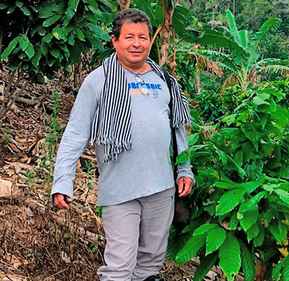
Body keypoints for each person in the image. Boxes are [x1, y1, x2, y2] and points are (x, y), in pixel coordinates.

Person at [51, 8, 194, 281]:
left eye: (143, 37)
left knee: (151, 262)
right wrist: (62, 181)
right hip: (120, 190)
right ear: (115, 41)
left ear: (151, 40)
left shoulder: (163, 80)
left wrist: (184, 169)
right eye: (129, 37)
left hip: (161, 188)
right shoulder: (98, 81)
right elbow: (75, 134)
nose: (137, 43)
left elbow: (177, 128)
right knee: (119, 266)